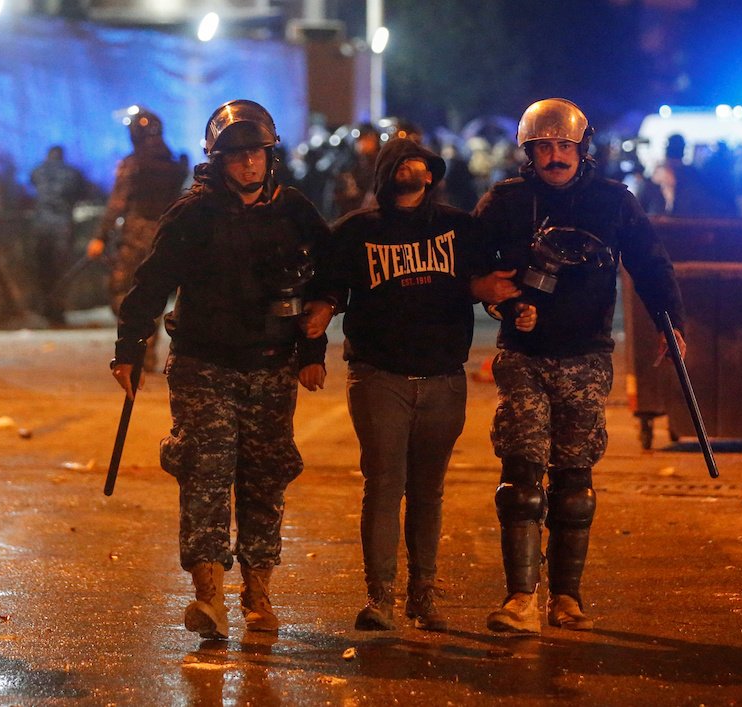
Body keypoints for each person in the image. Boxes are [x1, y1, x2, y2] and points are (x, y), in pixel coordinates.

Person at [110, 99, 331, 640]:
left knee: (265, 478)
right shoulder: (193, 215)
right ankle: (208, 597)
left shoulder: (294, 210)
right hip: (204, 364)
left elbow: (332, 271)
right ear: (218, 160)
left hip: (272, 366)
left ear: (269, 156)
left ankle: (259, 595)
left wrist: (316, 341)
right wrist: (128, 350)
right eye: (236, 156)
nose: (248, 165)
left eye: (255, 153)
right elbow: (151, 283)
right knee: (205, 476)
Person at [474, 98, 686, 634]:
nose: (554, 156)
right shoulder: (506, 202)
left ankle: (566, 598)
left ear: (581, 148)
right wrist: (498, 299)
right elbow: (472, 264)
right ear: (528, 152)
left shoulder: (614, 202)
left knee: (574, 482)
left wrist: (670, 322)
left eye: (564, 145)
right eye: (543, 147)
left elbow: (650, 263)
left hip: (586, 354)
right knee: (521, 478)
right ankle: (520, 597)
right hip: (523, 354)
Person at [306, 138, 532, 632]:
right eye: (402, 163)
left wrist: (509, 302)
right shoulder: (354, 232)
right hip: (378, 375)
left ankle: (422, 595)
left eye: (423, 165)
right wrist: (314, 342)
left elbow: (489, 280)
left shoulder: (459, 227)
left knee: (428, 492)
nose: (414, 170)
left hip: (444, 378)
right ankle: (381, 597)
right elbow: (324, 290)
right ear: (384, 174)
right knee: (384, 486)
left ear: (432, 176)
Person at [86, 107, 188, 370]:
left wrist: (100, 237)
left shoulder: (133, 164)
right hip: (167, 237)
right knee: (154, 293)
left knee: (121, 290)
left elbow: (117, 203)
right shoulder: (175, 163)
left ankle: (135, 344)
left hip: (135, 237)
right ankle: (148, 347)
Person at [29, 145, 87, 325]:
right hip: (62, 226)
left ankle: (46, 309)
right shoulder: (72, 173)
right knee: (61, 272)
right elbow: (81, 194)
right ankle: (58, 311)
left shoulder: (37, 171)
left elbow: (32, 188)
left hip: (41, 226)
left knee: (44, 271)